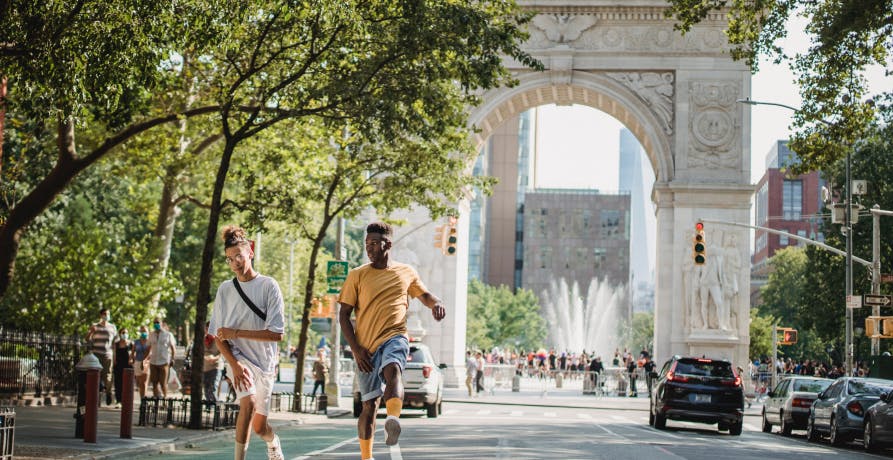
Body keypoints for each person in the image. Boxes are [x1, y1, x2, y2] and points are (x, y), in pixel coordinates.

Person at [338, 222, 445, 460]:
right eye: (367, 244)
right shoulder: (357, 275)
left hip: (395, 336)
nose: (370, 248)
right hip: (365, 348)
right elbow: (343, 315)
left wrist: (436, 303)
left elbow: (425, 295)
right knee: (369, 405)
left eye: (375, 243)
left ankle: (393, 420)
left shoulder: (405, 272)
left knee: (393, 369)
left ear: (388, 244)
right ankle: (367, 457)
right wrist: (356, 350)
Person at [209, 225, 286, 460]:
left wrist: (237, 332)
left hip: (264, 364)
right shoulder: (225, 290)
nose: (235, 263)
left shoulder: (269, 286)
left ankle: (273, 443)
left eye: (239, 256)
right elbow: (218, 336)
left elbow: (276, 334)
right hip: (238, 360)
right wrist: (233, 364)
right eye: (230, 259)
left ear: (250, 252)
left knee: (260, 427)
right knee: (248, 401)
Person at [86, 308, 117, 406]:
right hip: (96, 354)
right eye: (104, 314)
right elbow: (87, 339)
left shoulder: (112, 327)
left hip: (108, 354)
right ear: (101, 315)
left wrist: (114, 356)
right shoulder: (95, 326)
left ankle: (108, 393)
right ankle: (96, 399)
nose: (106, 315)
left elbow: (114, 343)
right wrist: (91, 332)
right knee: (96, 376)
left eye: (108, 314)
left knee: (107, 376)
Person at [147, 317, 176, 398]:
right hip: (153, 362)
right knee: (154, 383)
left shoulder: (168, 334)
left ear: (161, 323)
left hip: (163, 362)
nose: (156, 324)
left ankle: (165, 398)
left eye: (158, 322)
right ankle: (156, 399)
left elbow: (173, 348)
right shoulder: (151, 335)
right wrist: (144, 359)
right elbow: (148, 348)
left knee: (163, 383)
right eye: (154, 323)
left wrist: (173, 359)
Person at [202, 322, 223, 403]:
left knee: (213, 388)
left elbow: (222, 352)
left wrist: (215, 358)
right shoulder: (203, 339)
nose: (208, 330)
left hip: (216, 366)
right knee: (206, 389)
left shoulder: (219, 339)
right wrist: (205, 357)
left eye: (209, 328)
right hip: (205, 367)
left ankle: (215, 408)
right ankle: (209, 408)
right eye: (206, 328)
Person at [112, 328, 133, 408]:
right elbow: (114, 354)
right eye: (123, 332)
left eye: (126, 333)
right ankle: (119, 401)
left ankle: (127, 401)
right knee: (118, 384)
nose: (125, 334)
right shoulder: (116, 344)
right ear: (120, 334)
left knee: (128, 383)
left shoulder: (131, 344)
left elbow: (133, 354)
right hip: (118, 365)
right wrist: (114, 362)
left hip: (128, 366)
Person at [131, 325, 152, 399]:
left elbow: (150, 352)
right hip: (137, 362)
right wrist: (131, 359)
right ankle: (142, 398)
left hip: (146, 363)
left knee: (144, 382)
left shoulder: (150, 342)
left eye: (145, 331)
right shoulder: (137, 342)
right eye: (142, 331)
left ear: (148, 332)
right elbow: (133, 352)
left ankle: (143, 399)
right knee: (139, 383)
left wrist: (145, 361)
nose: (143, 333)